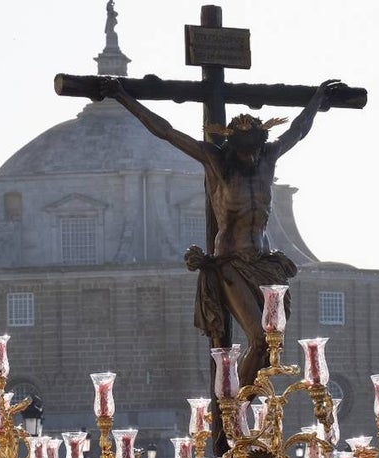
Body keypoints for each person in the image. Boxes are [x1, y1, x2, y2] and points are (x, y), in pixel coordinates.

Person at [102, 76, 343, 386]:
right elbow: (165, 131)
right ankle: (237, 409)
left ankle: (245, 407)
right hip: (230, 263)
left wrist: (318, 99)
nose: (252, 157)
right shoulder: (216, 161)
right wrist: (123, 96)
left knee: (274, 342)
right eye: (245, 152)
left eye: (255, 150)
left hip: (264, 262)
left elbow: (298, 129)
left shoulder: (267, 158)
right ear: (234, 147)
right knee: (259, 338)